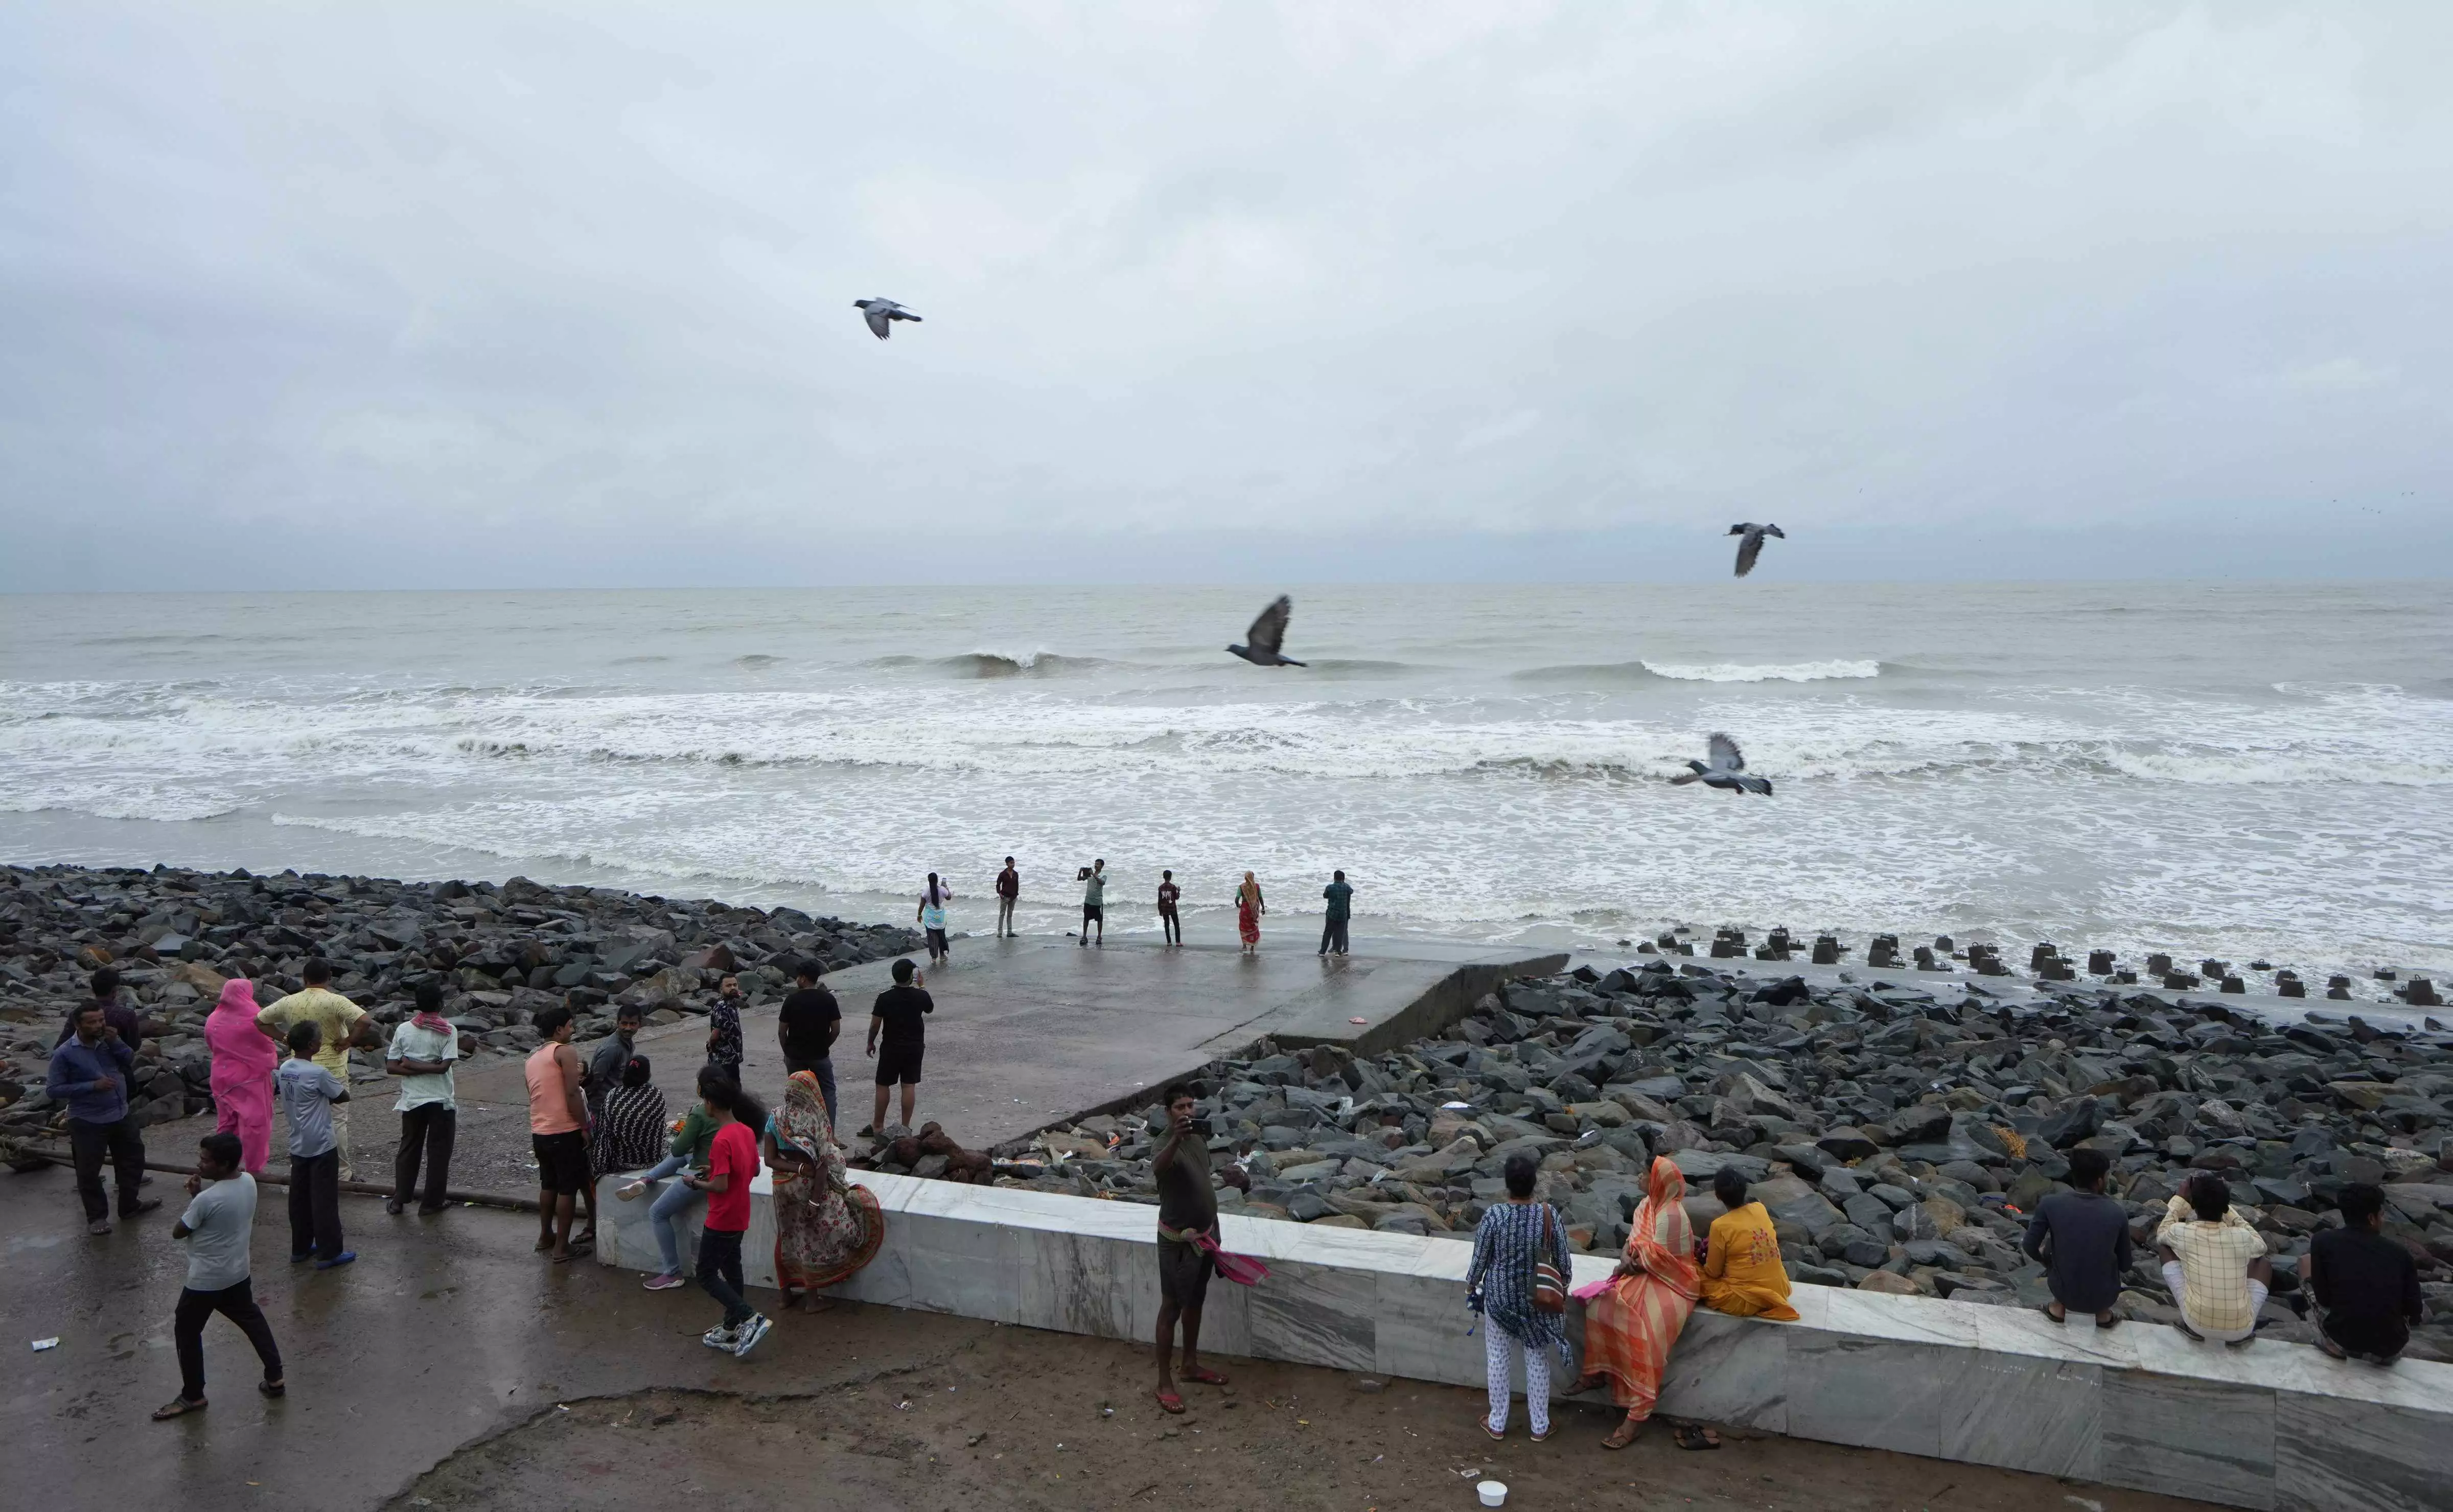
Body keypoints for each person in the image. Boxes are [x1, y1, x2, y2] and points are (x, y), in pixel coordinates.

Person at [1568, 1155, 1706, 1450]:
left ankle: (1637, 1416)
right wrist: (1625, 1260)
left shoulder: (1672, 1214)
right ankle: (1597, 1373)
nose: (1638, 1180)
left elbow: (1659, 1260)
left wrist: (1630, 1262)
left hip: (1673, 1284)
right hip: (1643, 1274)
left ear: (1656, 1181)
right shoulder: (1646, 1207)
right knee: (1599, 1307)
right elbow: (1633, 1245)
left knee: (1647, 1332)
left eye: (1643, 1175)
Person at [151, 1133, 282, 1421]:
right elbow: (222, 1213)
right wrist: (199, 1195)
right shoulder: (248, 1181)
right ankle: (275, 1377)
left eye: (205, 1161)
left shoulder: (208, 1200)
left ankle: (193, 1395)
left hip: (206, 1280)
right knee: (252, 1320)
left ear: (223, 1165)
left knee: (186, 1331)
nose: (200, 1164)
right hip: (237, 1272)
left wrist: (196, 1199)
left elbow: (179, 1231)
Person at [1466, 1152, 1571, 1440]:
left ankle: (1497, 1423)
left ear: (1507, 1184)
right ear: (1535, 1183)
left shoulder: (1494, 1216)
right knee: (1537, 1360)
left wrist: (1471, 1284)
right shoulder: (1548, 1215)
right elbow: (1564, 1263)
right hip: (1537, 1302)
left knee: (1498, 1358)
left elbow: (1480, 1260)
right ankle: (1539, 1426)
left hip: (1500, 1301)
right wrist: (1562, 1289)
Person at [766, 1069, 883, 1310]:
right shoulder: (817, 1119)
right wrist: (815, 1202)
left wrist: (792, 1168)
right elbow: (821, 1166)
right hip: (808, 1189)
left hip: (781, 1186)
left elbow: (769, 1159)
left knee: (787, 1236)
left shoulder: (776, 1117)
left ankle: (785, 1295)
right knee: (812, 1240)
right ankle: (812, 1300)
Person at [47, 1001, 160, 1235]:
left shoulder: (107, 1043)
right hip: (88, 1120)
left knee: (133, 1160)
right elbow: (53, 1090)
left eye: (101, 1020)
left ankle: (130, 1206)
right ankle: (97, 1218)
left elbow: (129, 1059)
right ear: (78, 1024)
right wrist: (92, 1086)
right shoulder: (65, 1053)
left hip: (120, 1112)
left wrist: (116, 1041)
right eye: (92, 1022)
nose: (99, 1025)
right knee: (89, 1172)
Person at [254, 959, 373, 1181]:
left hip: (298, 1068)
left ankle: (304, 1167)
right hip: (332, 1068)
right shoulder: (336, 1001)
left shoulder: (289, 1002)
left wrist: (285, 1038)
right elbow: (365, 1021)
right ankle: (342, 1174)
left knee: (301, 1118)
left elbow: (259, 1021)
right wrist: (348, 1041)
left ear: (304, 979)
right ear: (329, 978)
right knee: (337, 1121)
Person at [618, 1063, 732, 1290]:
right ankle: (647, 1179)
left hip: (702, 1173)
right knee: (688, 1156)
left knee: (658, 1213)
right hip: (718, 1166)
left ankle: (672, 1272)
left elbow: (678, 1148)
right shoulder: (734, 1109)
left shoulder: (701, 1112)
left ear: (704, 1091)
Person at [681, 1076, 773, 1358]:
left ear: (710, 1103)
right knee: (733, 1269)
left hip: (721, 1216)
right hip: (740, 1212)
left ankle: (750, 1318)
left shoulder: (721, 1140)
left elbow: (720, 1186)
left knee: (707, 1275)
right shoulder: (745, 1131)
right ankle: (731, 1327)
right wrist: (717, 1173)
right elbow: (753, 1171)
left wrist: (696, 1183)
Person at [1151, 1085, 1229, 1414]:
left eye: (1190, 1106)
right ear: (1168, 1112)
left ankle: (1191, 1365)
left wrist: (1215, 1231)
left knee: (1196, 1301)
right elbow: (1158, 1168)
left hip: (1205, 1237)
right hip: (1177, 1244)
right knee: (1171, 1307)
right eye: (1179, 1107)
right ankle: (1164, 1383)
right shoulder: (1164, 1144)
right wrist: (1175, 1140)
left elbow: (1203, 1181)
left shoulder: (1198, 1138)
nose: (1186, 1112)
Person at [2307, 1183, 2422, 1365]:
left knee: (2304, 1263)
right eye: (2382, 1216)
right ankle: (2381, 1352)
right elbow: (2415, 1310)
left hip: (2343, 1337)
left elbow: (2323, 1298)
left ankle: (2333, 1347)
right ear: (2371, 1218)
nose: (2382, 1220)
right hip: (2390, 1347)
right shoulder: (2400, 1253)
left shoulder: (2323, 1241)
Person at [2156, 1172, 2271, 1346]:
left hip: (2196, 1323)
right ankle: (2240, 1333)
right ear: (2225, 1207)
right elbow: (2261, 1246)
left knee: (2165, 1247)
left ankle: (2192, 1329)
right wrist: (2227, 1207)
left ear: (2193, 1205)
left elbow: (2162, 1232)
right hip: (2241, 1329)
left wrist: (2180, 1199)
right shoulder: (2241, 1236)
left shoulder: (2182, 1232)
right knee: (2263, 1263)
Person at [2022, 1146, 2131, 1328]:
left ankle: (2058, 1309)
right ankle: (2103, 1315)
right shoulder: (2117, 1213)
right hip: (2104, 1296)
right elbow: (2126, 1265)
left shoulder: (2050, 1204)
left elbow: (2029, 1246)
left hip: (2063, 1291)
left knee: (2054, 1245)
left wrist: (2047, 1262)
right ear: (2099, 1181)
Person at [275, 1020, 351, 1269]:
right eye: (319, 1039)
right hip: (321, 1143)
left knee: (300, 1198)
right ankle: (330, 1252)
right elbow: (342, 1095)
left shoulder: (285, 1067)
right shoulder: (317, 1073)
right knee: (324, 1200)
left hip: (297, 1142)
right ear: (312, 1045)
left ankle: (301, 1247)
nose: (321, 1042)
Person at [384, 982, 460, 1216]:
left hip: (413, 1100)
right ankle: (431, 1203)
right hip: (440, 1100)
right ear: (440, 1005)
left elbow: (391, 1067)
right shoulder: (448, 1030)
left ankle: (399, 1200)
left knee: (409, 1148)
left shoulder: (404, 1030)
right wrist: (430, 1066)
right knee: (438, 1152)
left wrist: (411, 1065)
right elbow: (443, 1068)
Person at [525, 1004, 592, 1263]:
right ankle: (562, 1248)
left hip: (539, 1131)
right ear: (559, 1029)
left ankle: (546, 1236)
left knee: (548, 1184)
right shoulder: (564, 1052)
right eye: (570, 1026)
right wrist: (585, 1127)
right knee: (568, 1189)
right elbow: (573, 1092)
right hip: (564, 1131)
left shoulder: (531, 1059)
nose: (573, 1031)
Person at [1699, 1165, 1800, 1320]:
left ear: (1718, 1196)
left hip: (1745, 1300)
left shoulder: (1720, 1226)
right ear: (1745, 1190)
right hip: (1779, 1289)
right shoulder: (1759, 1208)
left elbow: (1714, 1272)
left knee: (1693, 1272)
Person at [205, 978, 277, 1176]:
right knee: (255, 1125)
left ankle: (224, 1164)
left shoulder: (213, 1018)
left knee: (227, 1123)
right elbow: (266, 1046)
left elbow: (212, 1045)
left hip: (221, 1076)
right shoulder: (254, 1017)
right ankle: (254, 1168)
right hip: (250, 1079)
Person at [864, 958, 933, 1136]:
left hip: (891, 1047)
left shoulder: (884, 997)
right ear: (912, 976)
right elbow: (930, 1008)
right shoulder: (921, 996)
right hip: (915, 1047)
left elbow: (875, 1025)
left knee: (883, 1085)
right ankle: (905, 1128)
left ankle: (878, 1126)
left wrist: (871, 1042)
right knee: (908, 1085)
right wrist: (922, 986)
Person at [777, 960, 842, 1130]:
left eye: (798, 977)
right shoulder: (828, 999)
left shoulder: (791, 1000)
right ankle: (829, 1134)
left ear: (804, 978)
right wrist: (825, 1045)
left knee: (796, 1093)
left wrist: (787, 1052)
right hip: (820, 1054)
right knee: (828, 1092)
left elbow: (782, 1031)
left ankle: (798, 1131)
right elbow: (836, 1029)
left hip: (796, 1056)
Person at [593, 1055, 668, 1178]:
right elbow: (658, 1129)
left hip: (619, 1160)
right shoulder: (655, 1095)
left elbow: (603, 1129)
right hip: (649, 1160)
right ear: (647, 1074)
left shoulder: (613, 1095)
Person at [584, 1002, 643, 1125]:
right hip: (601, 1107)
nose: (628, 1028)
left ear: (639, 1025)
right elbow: (596, 1079)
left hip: (616, 1104)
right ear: (618, 1023)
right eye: (624, 1023)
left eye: (633, 1024)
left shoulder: (628, 1043)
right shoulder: (612, 1049)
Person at [56, 965, 142, 1051]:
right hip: (116, 1061)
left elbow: (61, 1045)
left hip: (81, 1060)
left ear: (93, 990)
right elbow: (134, 1046)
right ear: (115, 991)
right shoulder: (127, 1015)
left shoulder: (77, 1013)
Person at [705, 974, 746, 1079]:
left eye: (735, 985)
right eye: (728, 986)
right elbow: (715, 1035)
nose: (733, 988)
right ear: (721, 989)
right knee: (728, 1091)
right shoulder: (722, 1008)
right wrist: (712, 1048)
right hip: (723, 1061)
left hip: (732, 1059)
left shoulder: (732, 1005)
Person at [1318, 870, 1354, 957]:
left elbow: (1325, 896)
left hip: (1332, 913)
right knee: (1340, 933)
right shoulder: (1346, 887)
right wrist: (1344, 884)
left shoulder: (1330, 887)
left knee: (1328, 933)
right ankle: (1338, 952)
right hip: (1343, 914)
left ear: (1334, 878)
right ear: (1343, 878)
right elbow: (1351, 891)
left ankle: (1322, 952)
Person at [1235, 872, 1265, 955]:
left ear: (1245, 878)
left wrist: (1238, 906)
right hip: (1254, 910)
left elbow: (1237, 899)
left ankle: (1244, 946)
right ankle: (1252, 948)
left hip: (1245, 910)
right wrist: (1263, 907)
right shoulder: (1257, 887)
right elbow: (1260, 897)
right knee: (1253, 926)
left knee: (1243, 927)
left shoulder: (1242, 887)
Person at [1079, 859, 1106, 946]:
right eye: (1095, 864)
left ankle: (1099, 937)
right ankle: (1084, 937)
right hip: (1088, 900)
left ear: (1102, 866)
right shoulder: (1090, 875)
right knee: (1086, 919)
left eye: (1098, 864)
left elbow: (1102, 882)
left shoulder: (1104, 875)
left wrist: (1093, 875)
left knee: (1100, 920)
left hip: (1097, 902)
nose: (1096, 865)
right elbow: (1080, 879)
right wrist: (1080, 872)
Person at [994, 856, 1020, 938]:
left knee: (1010, 915)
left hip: (1013, 897)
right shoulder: (1003, 874)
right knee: (1002, 914)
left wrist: (1016, 895)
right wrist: (1000, 894)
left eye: (1014, 863)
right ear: (1007, 864)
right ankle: (1000, 932)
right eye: (1011, 863)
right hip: (1005, 897)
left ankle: (1010, 932)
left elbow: (1017, 885)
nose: (1013, 864)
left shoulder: (1016, 874)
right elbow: (998, 885)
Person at [1157, 870, 1182, 946]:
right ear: (1171, 877)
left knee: (1167, 925)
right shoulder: (1173, 887)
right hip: (1172, 908)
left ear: (1164, 877)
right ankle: (1178, 942)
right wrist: (1178, 891)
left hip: (1164, 909)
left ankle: (1169, 942)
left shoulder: (1160, 888)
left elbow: (1160, 900)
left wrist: (1160, 910)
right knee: (1176, 925)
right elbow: (1176, 898)